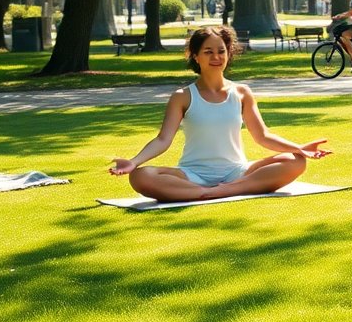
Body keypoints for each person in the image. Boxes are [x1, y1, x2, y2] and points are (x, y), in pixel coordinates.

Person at [107, 26, 331, 201]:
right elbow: (163, 140)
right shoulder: (183, 96)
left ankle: (226, 190)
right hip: (192, 175)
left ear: (229, 53)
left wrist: (299, 148)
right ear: (196, 56)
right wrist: (133, 162)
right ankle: (205, 191)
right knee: (140, 177)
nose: (216, 57)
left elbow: (262, 136)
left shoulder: (242, 92)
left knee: (296, 161)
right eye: (208, 52)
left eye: (221, 51)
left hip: (238, 172)